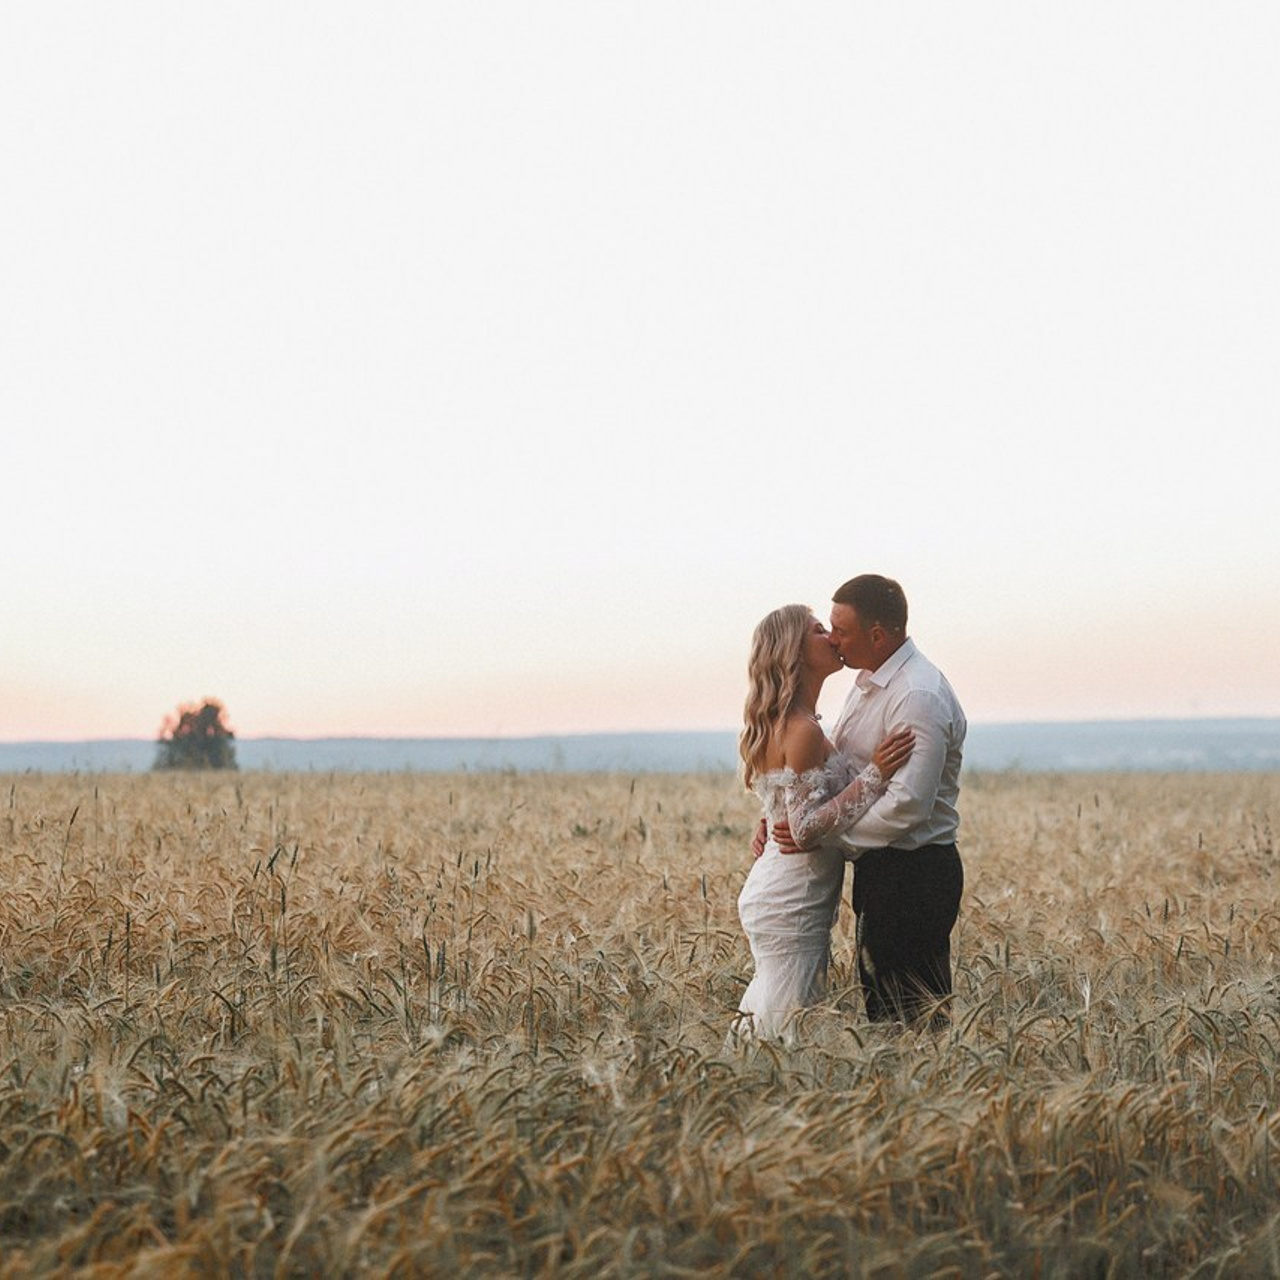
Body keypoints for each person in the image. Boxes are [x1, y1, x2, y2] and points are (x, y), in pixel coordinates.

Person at [770, 574, 966, 1028]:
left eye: (841, 630)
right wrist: (786, 812)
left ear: (877, 635)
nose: (833, 639)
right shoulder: (869, 682)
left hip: (914, 874)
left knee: (913, 1018)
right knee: (885, 1011)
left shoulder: (916, 694)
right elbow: (838, 770)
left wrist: (823, 837)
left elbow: (907, 805)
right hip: (883, 872)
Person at [734, 604, 914, 1042]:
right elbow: (804, 829)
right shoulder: (801, 729)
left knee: (776, 1016)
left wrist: (768, 819)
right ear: (793, 651)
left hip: (784, 886)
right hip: (791, 895)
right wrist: (875, 775)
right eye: (819, 631)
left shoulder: (796, 724)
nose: (832, 638)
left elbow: (785, 800)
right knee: (788, 1023)